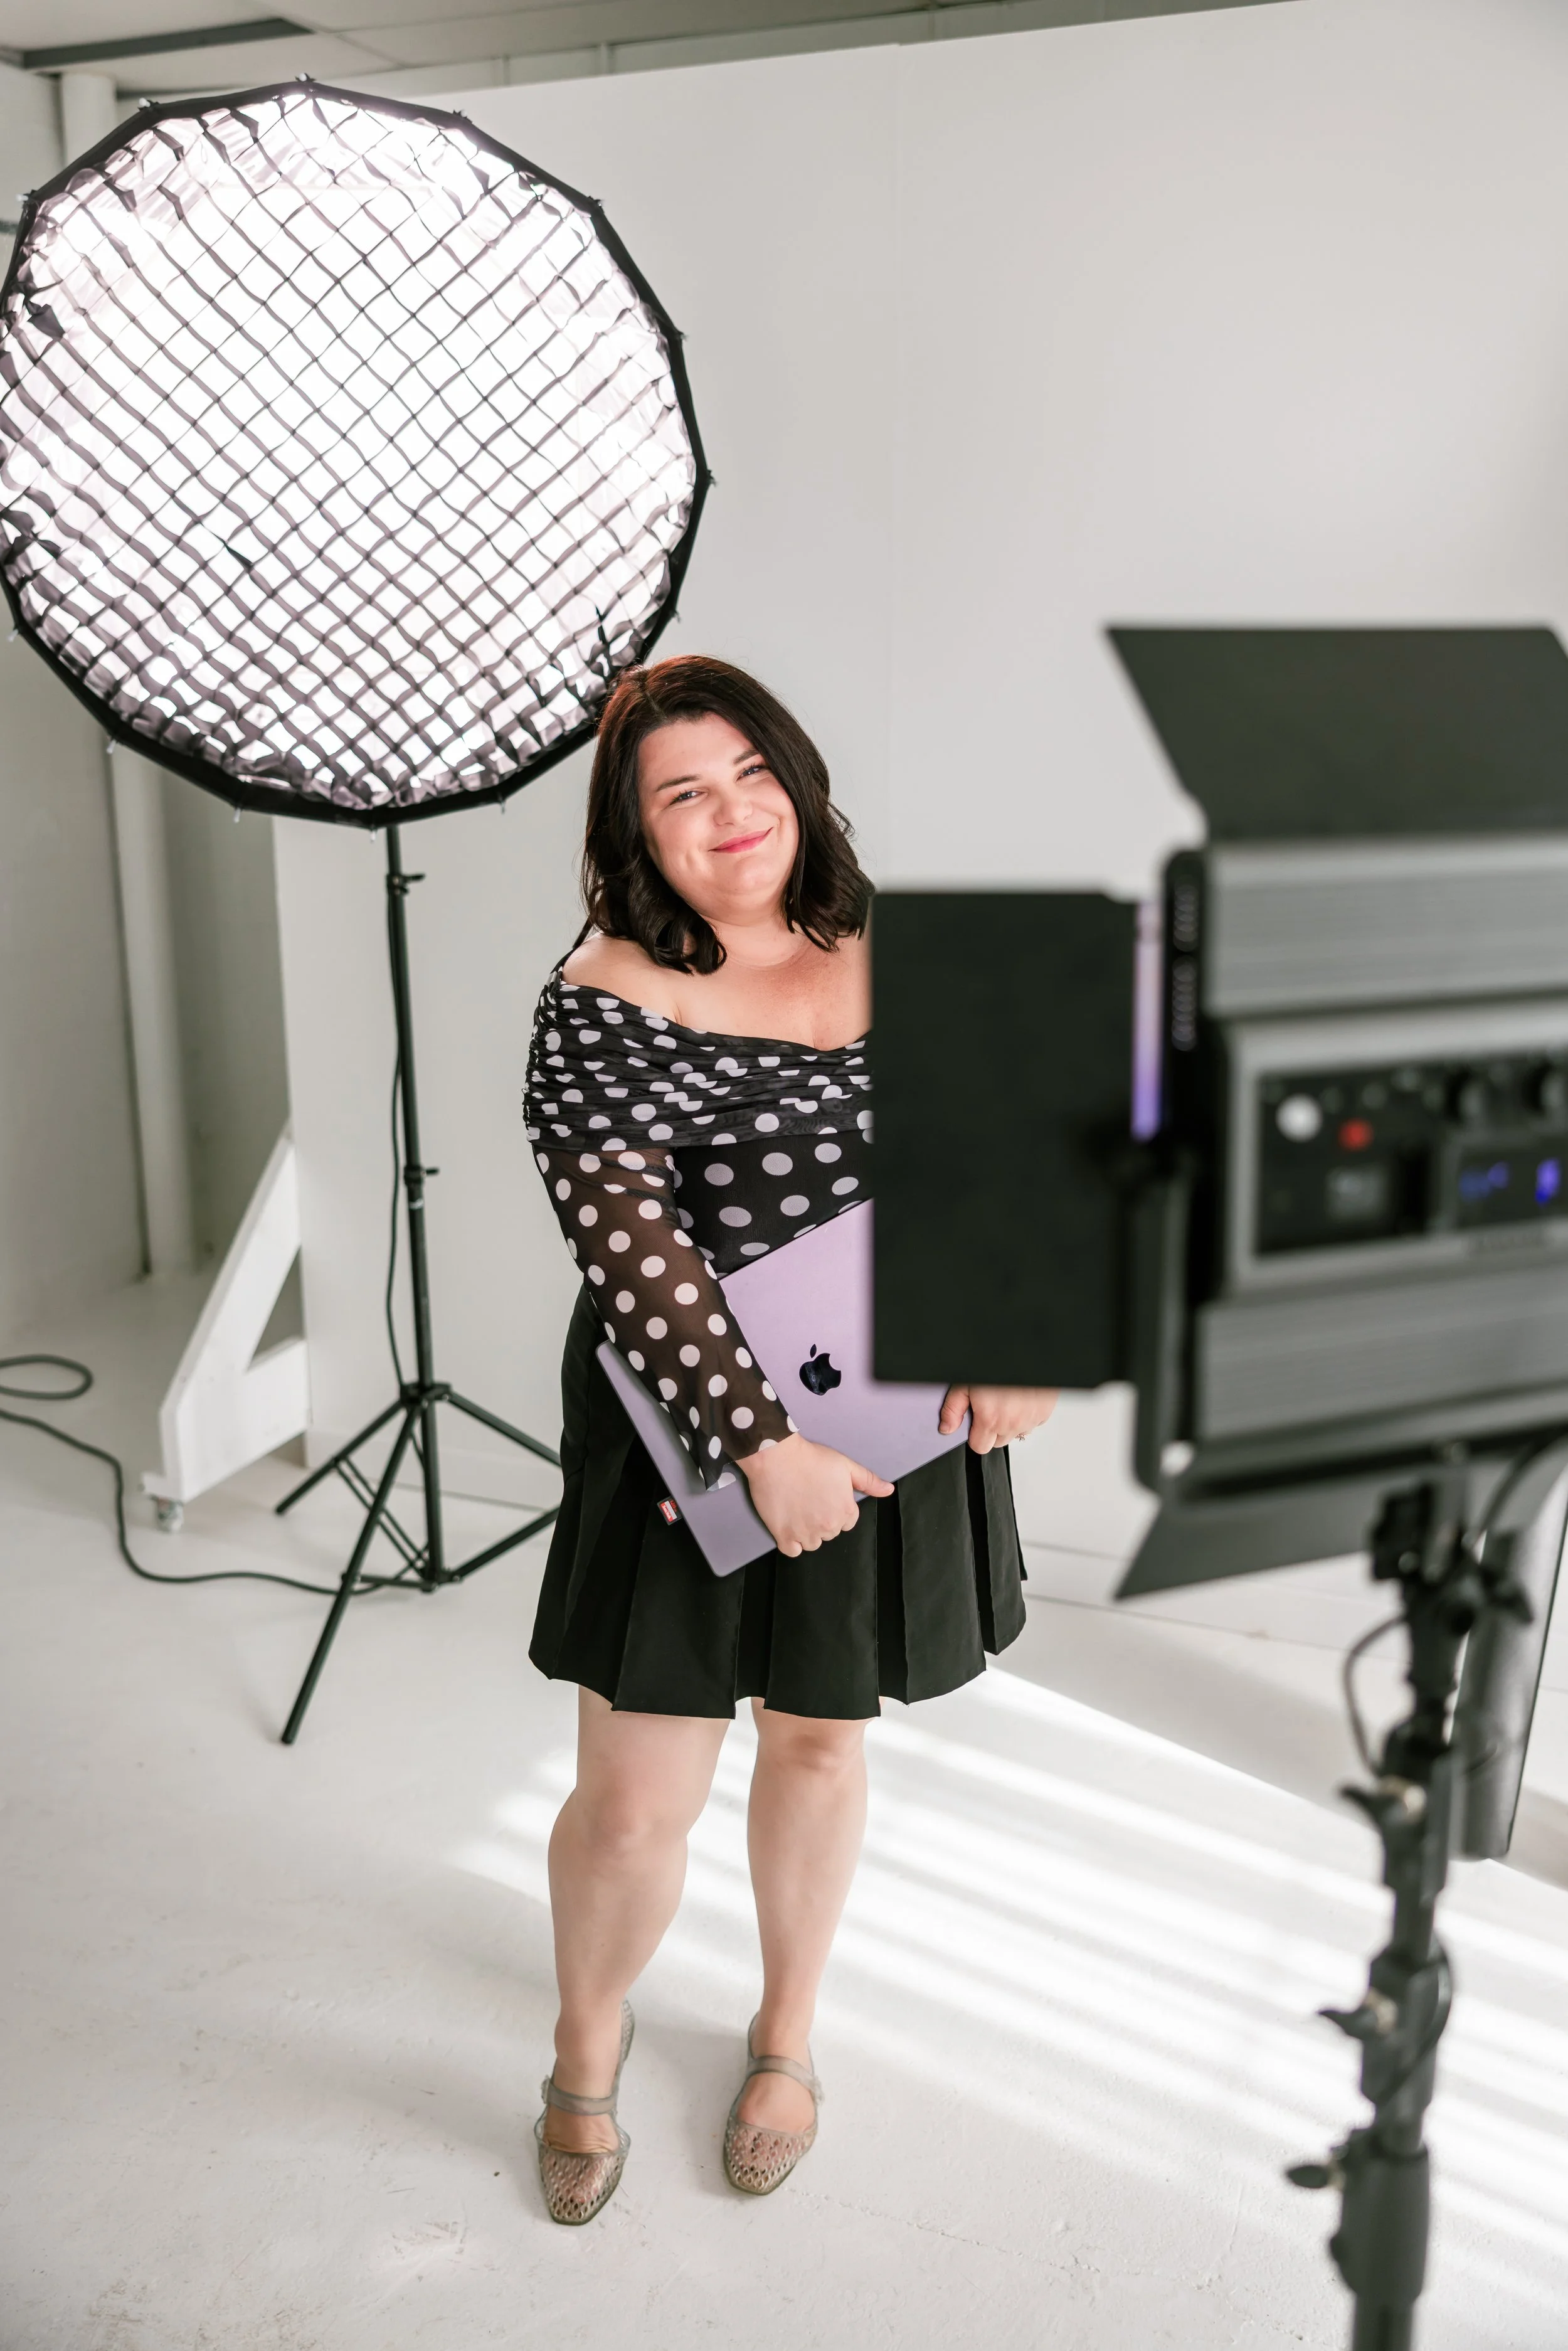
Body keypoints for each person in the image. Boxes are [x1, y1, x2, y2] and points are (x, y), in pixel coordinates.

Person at [523, 654, 1057, 2224]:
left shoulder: (878, 924)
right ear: (634, 832)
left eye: (750, 771)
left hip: (897, 1410)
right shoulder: (600, 995)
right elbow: (630, 1248)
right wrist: (758, 1445)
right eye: (681, 791)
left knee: (820, 1737)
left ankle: (782, 2036)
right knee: (634, 1799)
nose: (730, 812)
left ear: (798, 778)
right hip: (691, 1434)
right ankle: (583, 2039)